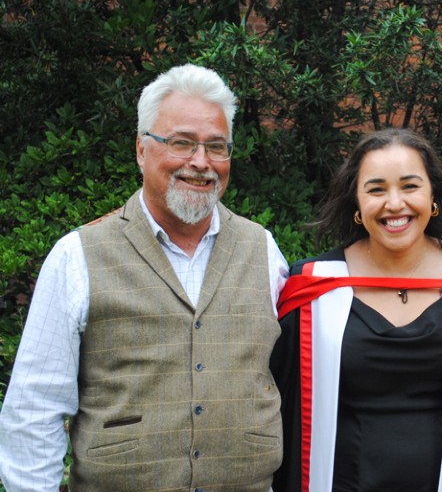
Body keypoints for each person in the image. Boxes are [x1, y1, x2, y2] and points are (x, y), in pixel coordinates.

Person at [0, 64, 288, 492]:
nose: (201, 162)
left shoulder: (263, 251)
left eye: (216, 147)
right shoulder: (77, 256)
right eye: (181, 143)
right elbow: (34, 409)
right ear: (141, 149)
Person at [271, 128, 442, 492]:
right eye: (376, 189)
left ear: (433, 196)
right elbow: (280, 404)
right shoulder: (313, 287)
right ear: (358, 205)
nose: (395, 204)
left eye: (410, 186)